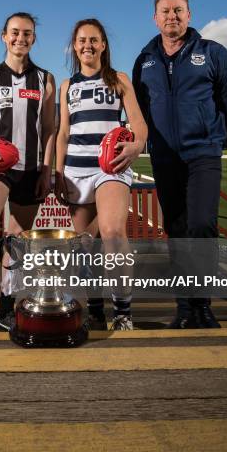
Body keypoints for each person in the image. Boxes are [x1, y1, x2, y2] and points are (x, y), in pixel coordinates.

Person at [132, 0, 227, 328]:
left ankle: (203, 305)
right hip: (165, 158)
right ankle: (185, 306)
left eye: (178, 10)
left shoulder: (213, 52)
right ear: (155, 18)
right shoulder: (144, 59)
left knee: (201, 225)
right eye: (166, 11)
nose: (172, 16)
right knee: (177, 229)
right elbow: (137, 109)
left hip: (203, 154)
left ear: (189, 15)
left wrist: (213, 132)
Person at [55, 19, 147, 330]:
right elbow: (63, 133)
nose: (87, 45)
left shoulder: (119, 80)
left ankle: (122, 312)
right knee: (83, 246)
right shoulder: (68, 86)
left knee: (112, 233)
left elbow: (138, 123)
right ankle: (95, 307)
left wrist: (136, 147)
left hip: (110, 167)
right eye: (81, 40)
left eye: (94, 40)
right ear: (74, 46)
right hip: (75, 171)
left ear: (103, 45)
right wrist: (56, 172)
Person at [0, 12, 56, 331]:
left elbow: (48, 129)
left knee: (18, 239)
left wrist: (48, 168)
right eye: (15, 32)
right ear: (4, 36)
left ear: (34, 38)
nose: (21, 38)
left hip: (31, 167)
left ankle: (5, 308)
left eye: (28, 33)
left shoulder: (45, 78)